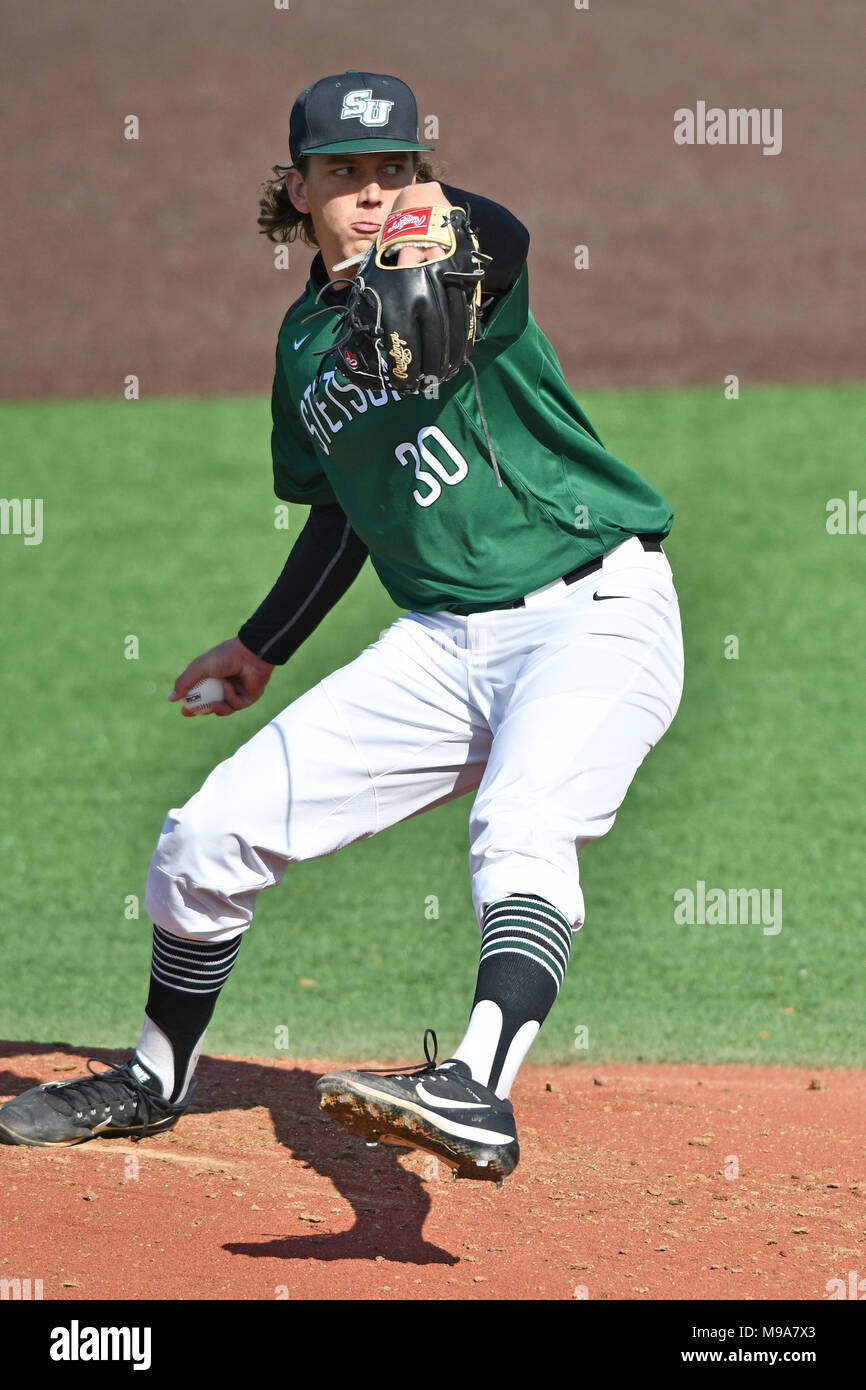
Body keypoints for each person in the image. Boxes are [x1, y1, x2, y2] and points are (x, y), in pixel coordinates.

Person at [0, 72, 684, 1183]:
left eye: (391, 170)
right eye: (344, 173)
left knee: (518, 830)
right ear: (297, 185)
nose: (371, 194)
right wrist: (260, 642)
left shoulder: (460, 268)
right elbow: (343, 511)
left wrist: (442, 220)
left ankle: (474, 1087)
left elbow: (505, 238)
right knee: (203, 838)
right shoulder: (303, 345)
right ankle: (153, 1079)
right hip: (440, 645)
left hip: (592, 616)